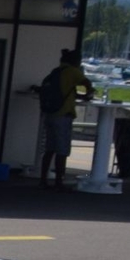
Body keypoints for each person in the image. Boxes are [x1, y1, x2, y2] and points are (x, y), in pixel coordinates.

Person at [35, 48, 93, 190]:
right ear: (76, 62)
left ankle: (43, 179)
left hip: (50, 114)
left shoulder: (56, 72)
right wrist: (89, 94)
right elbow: (87, 83)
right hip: (63, 115)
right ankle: (59, 182)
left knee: (49, 148)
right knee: (62, 150)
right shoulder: (73, 72)